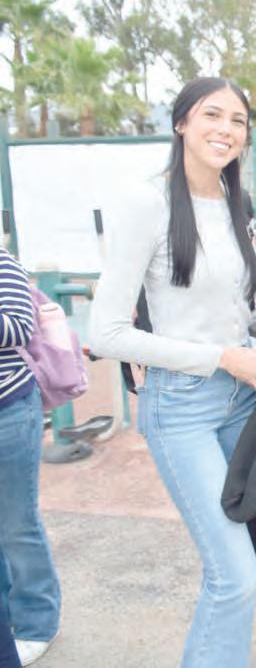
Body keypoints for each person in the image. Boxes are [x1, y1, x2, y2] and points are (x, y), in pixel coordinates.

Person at [89, 77, 256, 667]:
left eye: (238, 121)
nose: (226, 129)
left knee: (245, 565)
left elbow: (240, 311)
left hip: (242, 399)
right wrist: (219, 357)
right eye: (211, 115)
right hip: (183, 406)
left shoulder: (234, 202)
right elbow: (104, 333)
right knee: (234, 575)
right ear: (181, 123)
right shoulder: (147, 202)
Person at [0, 245, 61, 667]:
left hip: (8, 412)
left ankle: (37, 622)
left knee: (16, 523)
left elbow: (20, 327)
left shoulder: (3, 264)